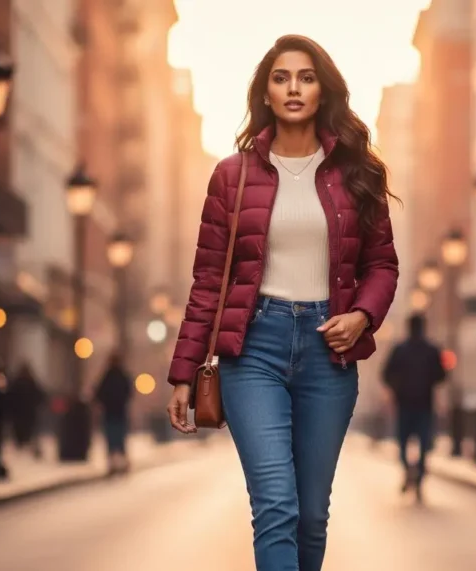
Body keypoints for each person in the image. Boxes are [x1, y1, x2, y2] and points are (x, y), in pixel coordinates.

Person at [166, 35, 399, 571]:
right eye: (281, 77)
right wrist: (183, 373)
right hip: (254, 350)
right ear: (265, 93)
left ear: (323, 91)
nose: (293, 87)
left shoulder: (359, 173)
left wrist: (361, 315)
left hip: (328, 353)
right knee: (276, 506)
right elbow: (207, 281)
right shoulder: (232, 175)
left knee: (311, 516)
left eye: (306, 77)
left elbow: (382, 266)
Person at [382, 314, 445, 496]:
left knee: (402, 443)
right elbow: (441, 375)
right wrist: (429, 381)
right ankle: (418, 476)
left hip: (404, 404)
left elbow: (386, 374)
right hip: (424, 404)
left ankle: (409, 471)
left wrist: (397, 388)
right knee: (424, 444)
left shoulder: (400, 350)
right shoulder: (431, 350)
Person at [94, 352, 133, 475]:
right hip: (118, 412)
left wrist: (103, 402)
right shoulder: (122, 376)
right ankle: (122, 462)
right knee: (119, 438)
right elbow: (129, 392)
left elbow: (98, 392)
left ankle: (114, 464)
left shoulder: (107, 376)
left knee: (112, 439)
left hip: (110, 412)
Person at [6, 363, 46, 458]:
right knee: (28, 432)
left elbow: (10, 397)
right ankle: (26, 447)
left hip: (18, 413)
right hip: (29, 413)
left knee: (20, 432)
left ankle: (21, 447)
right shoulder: (31, 382)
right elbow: (40, 396)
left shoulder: (16, 383)